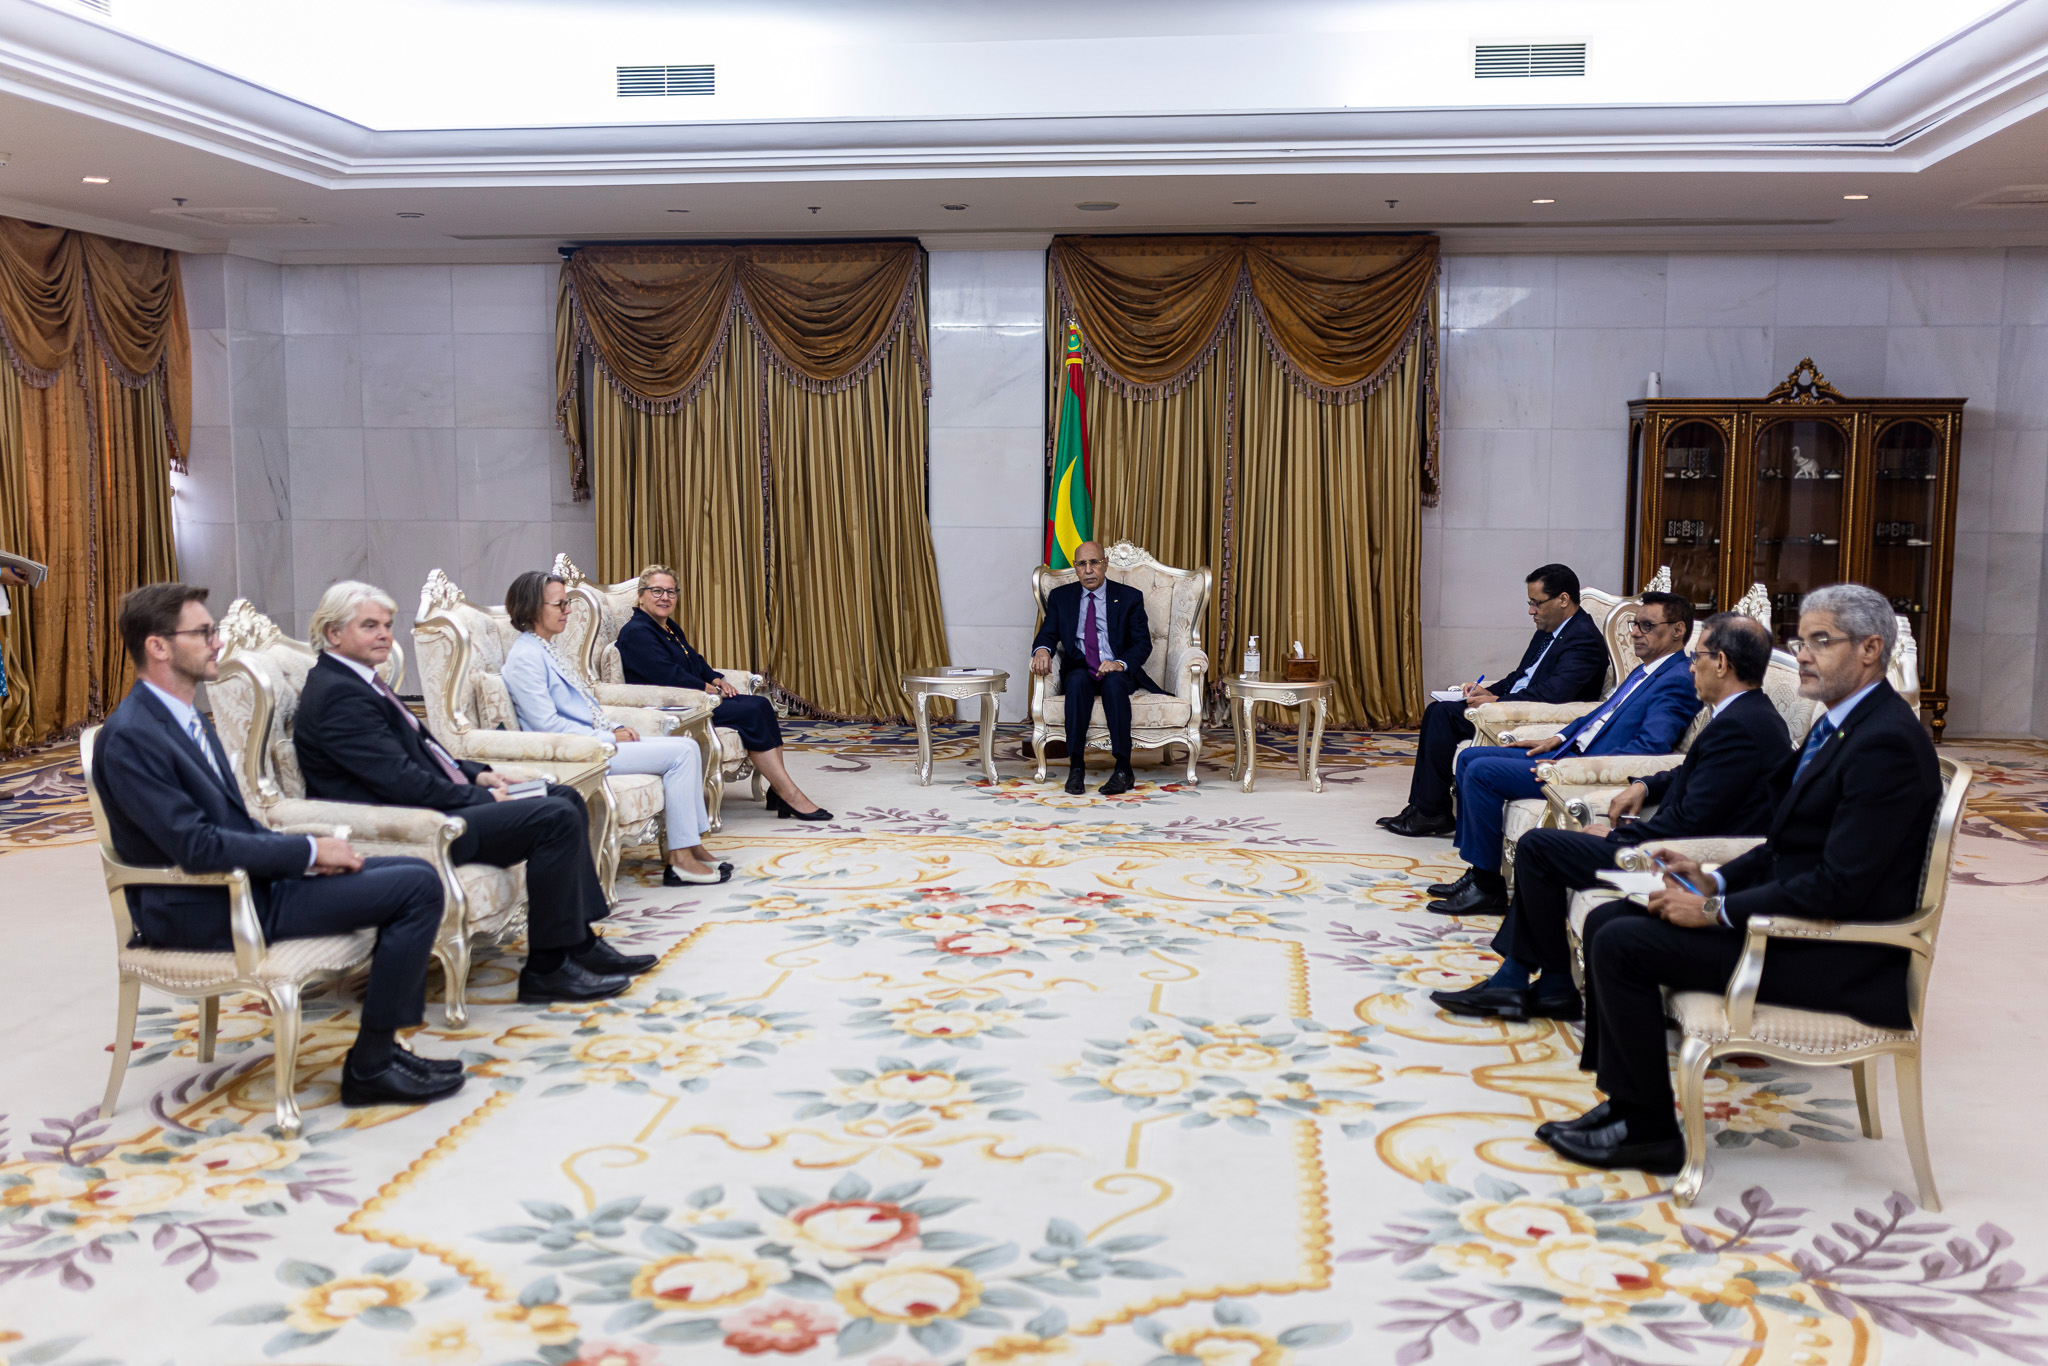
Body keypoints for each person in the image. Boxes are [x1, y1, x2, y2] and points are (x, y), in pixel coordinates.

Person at [1542, 584, 1940, 1177]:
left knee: (1623, 940)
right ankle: (1628, 1106)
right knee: (1609, 917)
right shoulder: (1843, 723)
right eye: (1801, 640)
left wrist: (1714, 913)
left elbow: (1838, 888)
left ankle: (1649, 1130)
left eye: (1820, 642)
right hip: (1797, 922)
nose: (1802, 654)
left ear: (1870, 649)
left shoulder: (1886, 743)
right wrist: (1713, 879)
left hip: (1841, 954)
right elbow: (1783, 846)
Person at [89, 583, 461, 1109]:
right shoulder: (130, 735)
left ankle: (383, 1052)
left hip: (243, 887)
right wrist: (306, 854)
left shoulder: (182, 715)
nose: (218, 643)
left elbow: (228, 824)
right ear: (158, 646)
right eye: (204, 632)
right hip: (203, 907)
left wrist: (305, 858)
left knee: (408, 872)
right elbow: (196, 847)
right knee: (416, 887)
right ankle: (372, 1066)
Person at [293, 581, 653, 1005]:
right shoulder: (338, 694)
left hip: (435, 805)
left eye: (387, 625)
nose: (384, 636)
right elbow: (398, 783)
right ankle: (547, 969)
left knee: (564, 798)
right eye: (369, 626)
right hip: (410, 828)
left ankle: (578, 943)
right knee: (552, 817)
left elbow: (425, 753)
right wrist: (480, 800)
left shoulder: (361, 680)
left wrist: (481, 775)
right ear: (333, 633)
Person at [1431, 612, 1789, 1021]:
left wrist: (1621, 835)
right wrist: (1646, 786)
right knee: (1544, 847)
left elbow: (1692, 821)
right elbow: (1691, 773)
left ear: (1721, 663)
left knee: (1540, 847)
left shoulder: (1741, 727)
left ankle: (1532, 985)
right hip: (1675, 842)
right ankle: (1538, 986)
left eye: (1699, 656)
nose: (1692, 666)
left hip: (1687, 861)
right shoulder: (1744, 715)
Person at [1428, 591, 1702, 916]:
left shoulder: (1677, 679)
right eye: (1634, 624)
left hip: (1581, 771)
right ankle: (1477, 872)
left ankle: (1487, 886)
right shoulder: (1647, 669)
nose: (1634, 633)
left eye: (1646, 625)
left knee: (1481, 772)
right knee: (1471, 758)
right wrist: (1556, 739)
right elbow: (1602, 714)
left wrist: (1575, 768)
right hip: (1568, 752)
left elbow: (1649, 748)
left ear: (1678, 630)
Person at [499, 571, 731, 888]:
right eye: (560, 604)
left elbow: (584, 704)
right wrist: (609, 737)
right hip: (577, 754)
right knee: (680, 754)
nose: (568, 609)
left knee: (688, 746)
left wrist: (616, 725)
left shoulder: (546, 647)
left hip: (595, 740)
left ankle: (690, 845)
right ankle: (680, 860)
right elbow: (547, 726)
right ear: (532, 608)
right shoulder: (525, 657)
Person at [1384, 564, 1607, 838]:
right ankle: (1422, 807)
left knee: (1441, 716)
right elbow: (1520, 676)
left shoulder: (1583, 639)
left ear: (1563, 599)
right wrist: (1483, 691)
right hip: (1512, 706)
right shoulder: (1549, 629)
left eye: (1537, 603)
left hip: (1538, 718)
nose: (1531, 611)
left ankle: (1431, 812)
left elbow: (1553, 694)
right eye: (1530, 603)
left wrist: (1497, 700)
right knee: (1437, 713)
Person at [613, 564, 831, 822]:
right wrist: (711, 689)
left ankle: (779, 791)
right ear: (641, 595)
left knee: (759, 705)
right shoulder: (637, 632)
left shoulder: (667, 626)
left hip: (697, 699)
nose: (665, 598)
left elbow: (694, 660)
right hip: (675, 707)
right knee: (753, 711)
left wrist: (715, 677)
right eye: (657, 591)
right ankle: (789, 795)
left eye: (671, 592)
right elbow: (668, 675)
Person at [1029, 540, 1167, 796]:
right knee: (1077, 682)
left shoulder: (1129, 597)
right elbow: (1047, 633)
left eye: (1094, 562)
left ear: (1105, 564)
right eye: (1082, 564)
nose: (1089, 569)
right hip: (1080, 666)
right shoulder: (1062, 598)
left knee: (1114, 684)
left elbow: (1141, 643)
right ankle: (1077, 767)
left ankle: (1124, 769)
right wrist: (1041, 650)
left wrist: (1119, 663)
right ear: (1075, 568)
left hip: (1115, 667)